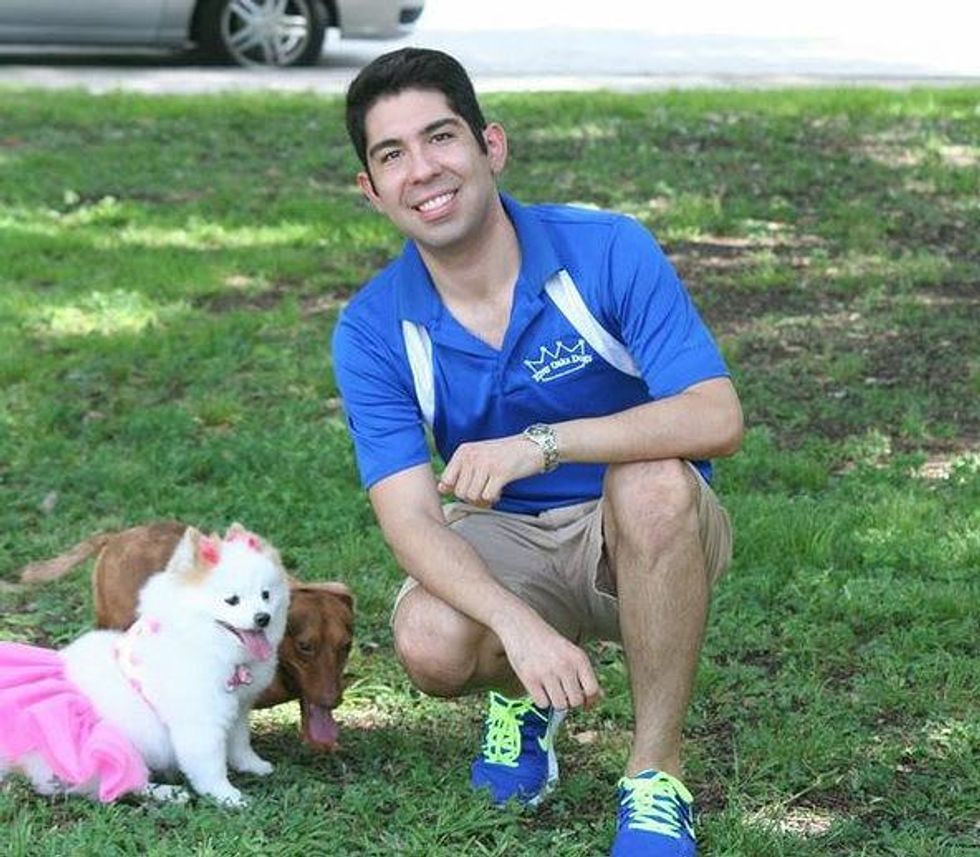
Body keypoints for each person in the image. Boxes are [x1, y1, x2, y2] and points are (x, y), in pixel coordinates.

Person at [333, 47, 743, 857]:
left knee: (656, 484)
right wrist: (518, 629)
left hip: (640, 530)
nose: (423, 170)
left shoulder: (608, 249)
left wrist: (544, 446)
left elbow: (716, 414)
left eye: (441, 137)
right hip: (509, 537)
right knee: (428, 639)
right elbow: (411, 517)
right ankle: (525, 695)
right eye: (392, 155)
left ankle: (656, 779)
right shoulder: (373, 327)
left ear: (491, 145)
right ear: (372, 191)